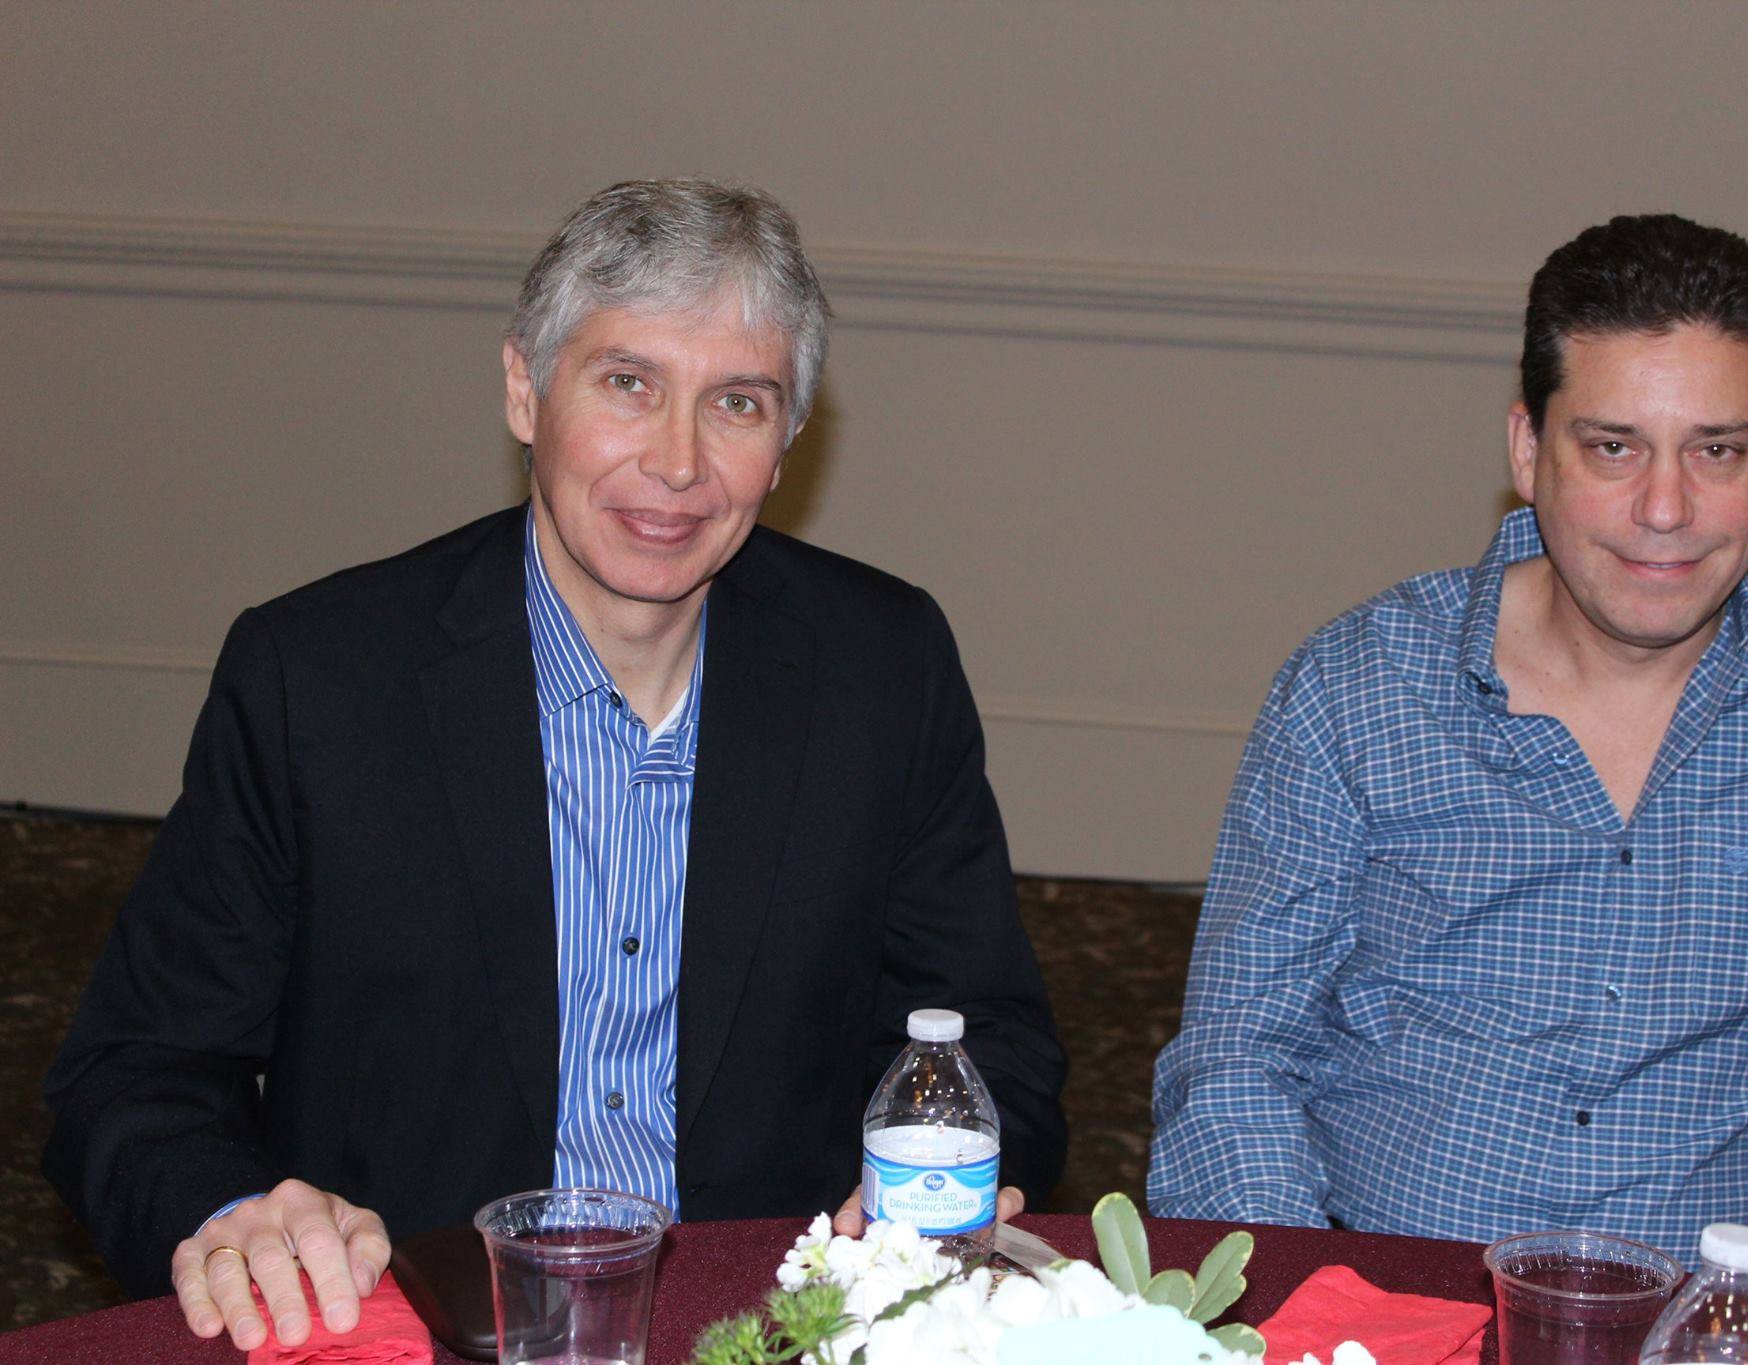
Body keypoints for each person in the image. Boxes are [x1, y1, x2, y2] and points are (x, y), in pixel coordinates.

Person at [45, 178, 1067, 1350]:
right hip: (415, 1328)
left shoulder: (881, 669)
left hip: (774, 1326)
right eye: (628, 384)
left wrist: (915, 1214)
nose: (677, 463)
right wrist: (237, 1216)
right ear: (525, 391)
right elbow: (132, 1074)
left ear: (786, 442)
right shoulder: (319, 681)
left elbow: (990, 1045)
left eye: (736, 403)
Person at [1149, 213, 1748, 1277]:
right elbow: (1235, 1061)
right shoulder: (1363, 686)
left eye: (1716, 450)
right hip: (1397, 1296)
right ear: (1528, 450)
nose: (1664, 508)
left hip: (1714, 1322)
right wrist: (1315, 1309)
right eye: (1612, 448)